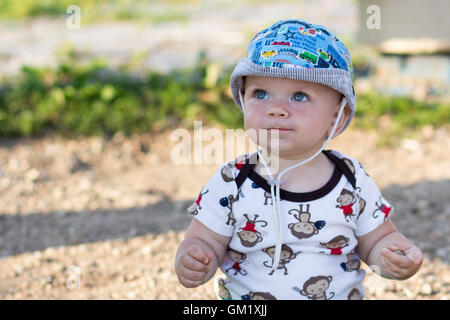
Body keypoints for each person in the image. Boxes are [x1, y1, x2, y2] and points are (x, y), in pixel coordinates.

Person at [174, 19, 423, 300]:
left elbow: (376, 240)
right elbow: (203, 239)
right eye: (261, 93)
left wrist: (391, 256)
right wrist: (194, 259)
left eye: (300, 96)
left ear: (337, 117)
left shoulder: (351, 179)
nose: (277, 109)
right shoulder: (232, 180)